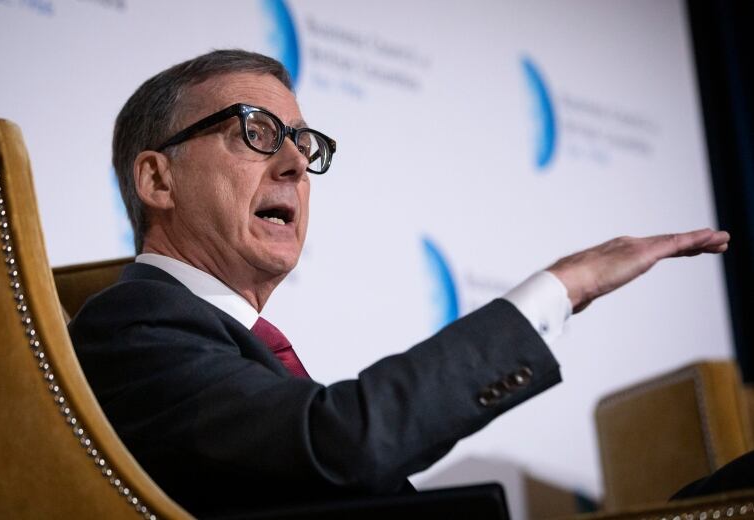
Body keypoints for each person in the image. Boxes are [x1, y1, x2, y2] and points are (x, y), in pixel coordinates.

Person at [68, 49, 730, 518]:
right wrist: (564, 285)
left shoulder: (225, 344)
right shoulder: (129, 327)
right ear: (157, 180)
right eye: (258, 133)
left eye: (303, 142)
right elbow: (342, 443)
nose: (297, 163)